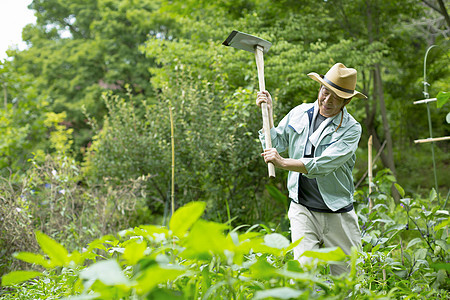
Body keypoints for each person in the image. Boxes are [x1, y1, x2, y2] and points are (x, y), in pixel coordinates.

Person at [256, 63, 367, 275]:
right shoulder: (299, 113)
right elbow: (276, 144)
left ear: (347, 100)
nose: (328, 100)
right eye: (325, 92)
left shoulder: (351, 129)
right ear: (320, 88)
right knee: (303, 276)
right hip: (302, 209)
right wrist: (267, 113)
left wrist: (283, 163)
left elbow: (323, 164)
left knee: (349, 280)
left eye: (336, 97)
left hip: (337, 214)